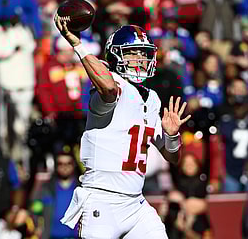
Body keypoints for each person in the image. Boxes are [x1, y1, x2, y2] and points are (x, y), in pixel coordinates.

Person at [54, 15, 191, 238]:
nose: (140, 59)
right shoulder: (110, 87)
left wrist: (172, 136)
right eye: (132, 53)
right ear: (115, 56)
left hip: (136, 203)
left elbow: (172, 157)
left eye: (143, 54)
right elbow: (108, 88)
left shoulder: (152, 98)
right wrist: (78, 45)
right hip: (102, 201)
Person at [31, 151, 81, 239]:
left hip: (75, 236)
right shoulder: (45, 188)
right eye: (60, 163)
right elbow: (34, 207)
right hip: (51, 236)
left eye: (68, 163)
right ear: (56, 166)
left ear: (73, 165)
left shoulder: (81, 189)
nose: (64, 167)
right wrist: (37, 226)